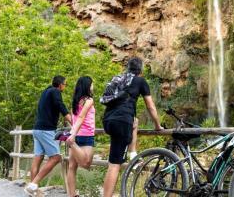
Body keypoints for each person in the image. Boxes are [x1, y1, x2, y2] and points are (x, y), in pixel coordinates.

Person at [102, 57, 163, 197]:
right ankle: (132, 155)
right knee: (114, 165)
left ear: (128, 68)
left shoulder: (119, 78)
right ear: (140, 70)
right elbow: (150, 106)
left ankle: (133, 154)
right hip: (122, 122)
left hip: (108, 120)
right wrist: (157, 125)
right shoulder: (140, 81)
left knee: (134, 122)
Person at [25, 75, 72, 196]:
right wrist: (73, 121)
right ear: (60, 84)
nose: (65, 87)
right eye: (65, 84)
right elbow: (61, 106)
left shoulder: (45, 92)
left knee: (37, 159)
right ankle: (33, 185)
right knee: (56, 157)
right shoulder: (55, 92)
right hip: (46, 129)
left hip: (37, 129)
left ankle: (33, 192)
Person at [65, 76, 96, 197]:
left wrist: (73, 133)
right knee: (86, 163)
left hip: (76, 134)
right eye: (92, 84)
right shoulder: (89, 100)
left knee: (72, 166)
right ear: (87, 86)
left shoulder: (76, 101)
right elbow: (81, 117)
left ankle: (72, 195)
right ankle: (72, 144)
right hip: (86, 135)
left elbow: (75, 119)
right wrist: (72, 136)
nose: (93, 87)